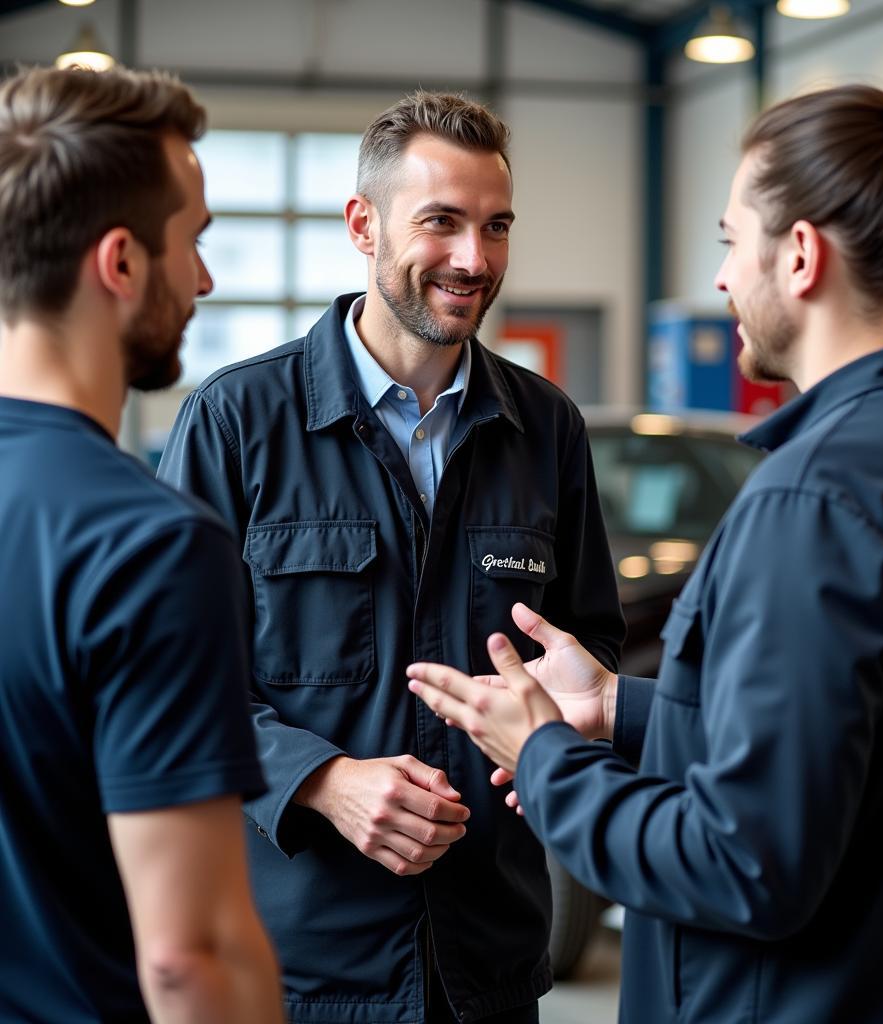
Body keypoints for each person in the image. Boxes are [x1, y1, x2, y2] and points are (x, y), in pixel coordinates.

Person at [407, 67, 883, 1023]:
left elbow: (743, 861)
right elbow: (848, 756)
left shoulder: (814, 499)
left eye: (734, 243)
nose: (724, 277)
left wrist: (542, 758)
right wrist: (622, 710)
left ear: (803, 257)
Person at [157, 90, 625, 1023]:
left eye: (496, 227)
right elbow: (170, 685)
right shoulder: (238, 423)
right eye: (442, 223)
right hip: (300, 971)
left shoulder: (547, 430)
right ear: (362, 226)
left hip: (487, 966)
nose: (475, 259)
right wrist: (323, 782)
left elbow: (588, 652)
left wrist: (566, 735)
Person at [0, 66, 284, 1024]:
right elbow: (188, 958)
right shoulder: (147, 547)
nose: (203, 280)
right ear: (120, 263)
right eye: (193, 243)